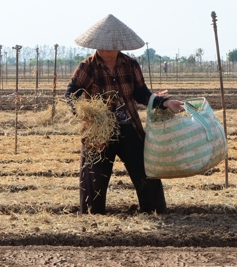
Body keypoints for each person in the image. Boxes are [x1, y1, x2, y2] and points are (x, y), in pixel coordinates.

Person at [65, 14, 185, 215]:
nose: (104, 49)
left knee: (145, 172)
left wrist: (165, 102)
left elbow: (141, 94)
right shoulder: (87, 67)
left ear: (119, 45)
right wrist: (84, 113)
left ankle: (154, 211)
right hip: (99, 132)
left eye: (109, 45)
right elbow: (71, 95)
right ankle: (92, 216)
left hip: (129, 127)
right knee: (94, 176)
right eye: (101, 45)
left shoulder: (130, 65)